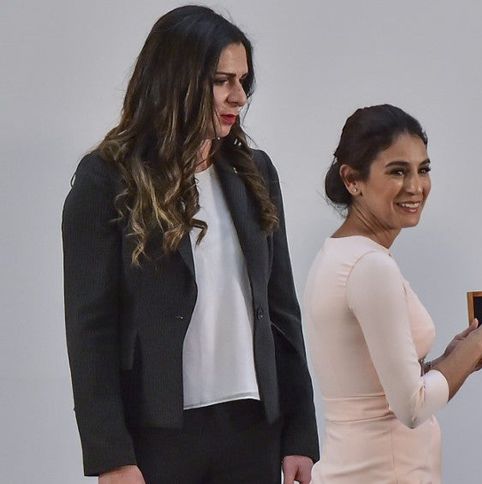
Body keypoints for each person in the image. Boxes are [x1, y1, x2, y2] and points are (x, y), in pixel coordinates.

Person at [62, 6, 318, 483]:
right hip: (158, 435)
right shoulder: (107, 179)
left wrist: (301, 431)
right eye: (222, 81)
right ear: (175, 79)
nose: (239, 96)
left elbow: (282, 310)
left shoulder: (255, 172)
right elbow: (89, 330)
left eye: (243, 81)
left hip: (253, 428)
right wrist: (111, 455)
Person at [303, 104, 482, 483]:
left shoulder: (339, 254)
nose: (415, 187)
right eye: (398, 171)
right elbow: (412, 407)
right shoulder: (371, 266)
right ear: (352, 180)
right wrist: (476, 346)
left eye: (423, 170)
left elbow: (376, 392)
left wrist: (456, 358)